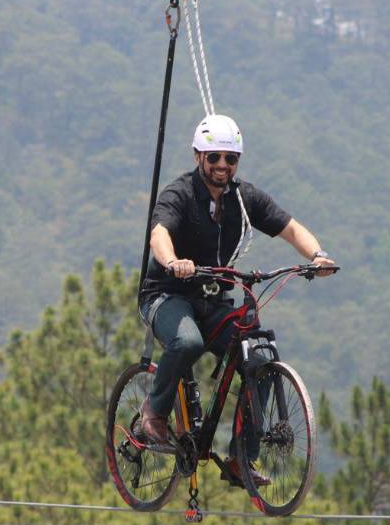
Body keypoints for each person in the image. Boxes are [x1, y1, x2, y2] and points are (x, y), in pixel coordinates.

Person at [137, 114, 336, 485]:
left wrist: (317, 256)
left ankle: (242, 459)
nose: (222, 166)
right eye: (214, 157)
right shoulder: (179, 194)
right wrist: (173, 262)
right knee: (187, 340)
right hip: (167, 293)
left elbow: (289, 227)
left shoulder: (243, 199)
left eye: (230, 158)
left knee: (256, 360)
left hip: (211, 298)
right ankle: (154, 411)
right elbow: (159, 233)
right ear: (199, 157)